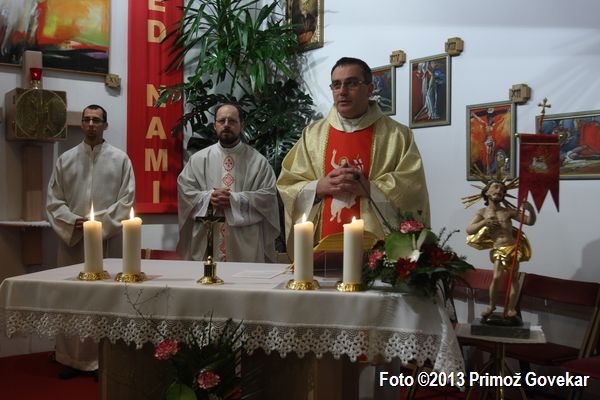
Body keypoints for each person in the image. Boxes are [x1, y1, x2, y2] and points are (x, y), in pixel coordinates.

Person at [277, 57, 430, 254]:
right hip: (321, 248)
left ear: (369, 89)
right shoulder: (312, 135)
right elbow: (288, 184)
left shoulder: (397, 135)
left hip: (378, 250)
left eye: (351, 83)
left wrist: (370, 189)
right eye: (336, 84)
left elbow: (412, 189)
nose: (342, 91)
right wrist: (318, 187)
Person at [46, 104, 136, 378]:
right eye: (86, 119)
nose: (91, 124)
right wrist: (73, 220)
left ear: (105, 125)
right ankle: (71, 358)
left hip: (109, 243)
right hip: (74, 243)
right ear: (82, 124)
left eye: (97, 120)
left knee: (107, 299)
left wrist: (98, 226)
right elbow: (53, 201)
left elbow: (127, 200)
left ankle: (104, 360)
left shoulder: (120, 159)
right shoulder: (66, 160)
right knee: (73, 298)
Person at [177, 103, 280, 263]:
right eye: (221, 121)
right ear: (214, 126)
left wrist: (234, 200)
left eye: (232, 121)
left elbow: (268, 197)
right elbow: (185, 191)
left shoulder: (258, 162)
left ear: (241, 125)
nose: (226, 125)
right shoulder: (198, 160)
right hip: (208, 238)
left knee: (243, 278)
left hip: (244, 244)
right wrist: (208, 198)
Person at [466, 180, 536, 319]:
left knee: (513, 278)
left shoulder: (507, 211)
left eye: (502, 190)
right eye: (496, 187)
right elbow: (469, 229)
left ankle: (511, 308)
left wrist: (531, 210)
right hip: (498, 249)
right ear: (487, 192)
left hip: (512, 248)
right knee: (497, 277)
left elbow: (529, 221)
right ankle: (491, 305)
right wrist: (484, 222)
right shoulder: (482, 212)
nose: (499, 190)